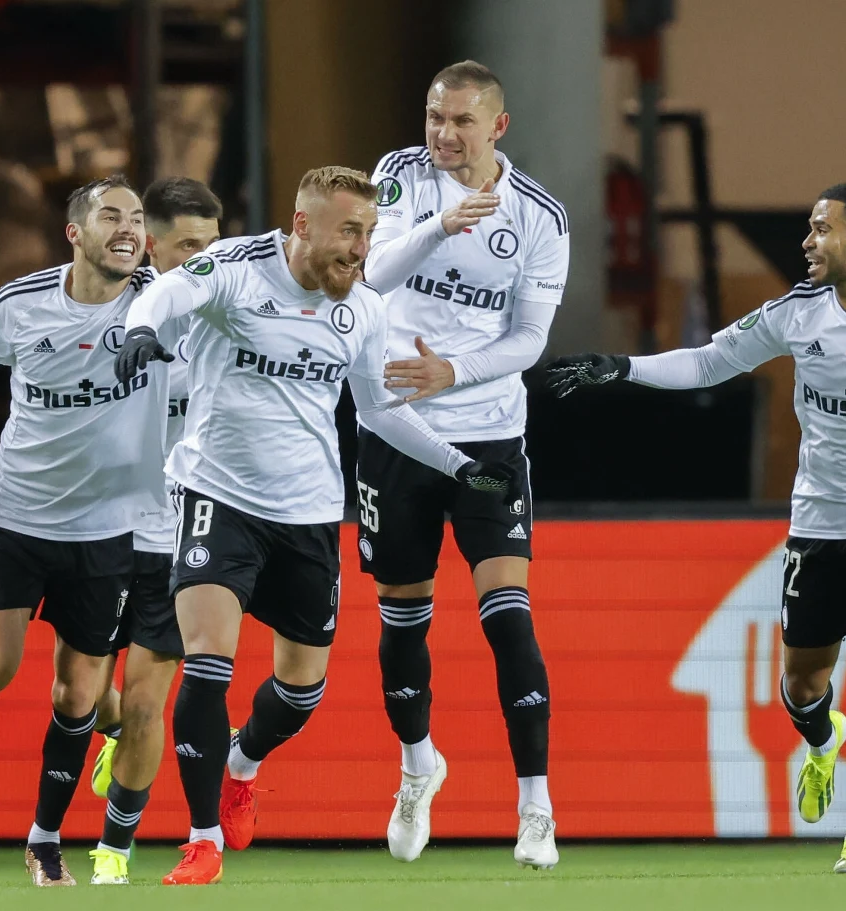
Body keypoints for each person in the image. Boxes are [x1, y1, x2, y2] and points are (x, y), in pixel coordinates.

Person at [545, 183, 846, 874]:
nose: (807, 242)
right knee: (803, 686)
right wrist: (620, 368)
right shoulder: (797, 313)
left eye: (820, 229)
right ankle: (822, 738)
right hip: (820, 521)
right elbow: (709, 361)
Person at [111, 165, 521, 886]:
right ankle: (202, 840)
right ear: (302, 224)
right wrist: (140, 330)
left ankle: (242, 764)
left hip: (307, 515)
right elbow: (170, 291)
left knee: (301, 691)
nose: (363, 249)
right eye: (350, 232)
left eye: (370, 233)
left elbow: (380, 411)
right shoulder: (239, 268)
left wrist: (459, 465)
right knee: (207, 661)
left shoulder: (363, 310)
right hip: (215, 494)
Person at [0, 176, 165, 886]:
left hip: (106, 532)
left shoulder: (158, 302)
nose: (128, 228)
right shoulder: (21, 304)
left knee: (76, 696)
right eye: (111, 216)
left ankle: (44, 842)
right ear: (74, 233)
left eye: (137, 218)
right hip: (16, 517)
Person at [357, 60, 569, 869]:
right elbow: (370, 276)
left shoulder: (540, 217)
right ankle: (418, 767)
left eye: (461, 121)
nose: (443, 134)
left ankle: (536, 807)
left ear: (498, 127)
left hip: (487, 437)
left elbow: (530, 340)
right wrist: (439, 228)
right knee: (401, 619)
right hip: (394, 430)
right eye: (434, 117)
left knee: (508, 615)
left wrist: (453, 371)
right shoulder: (399, 175)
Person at [85, 177, 223, 886]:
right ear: (151, 246)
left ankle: (114, 850)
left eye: (214, 243)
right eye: (190, 246)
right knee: (84, 694)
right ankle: (106, 730)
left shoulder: (233, 310)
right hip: (102, 526)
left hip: (178, 536)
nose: (207, 259)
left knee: (146, 702)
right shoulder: (107, 306)